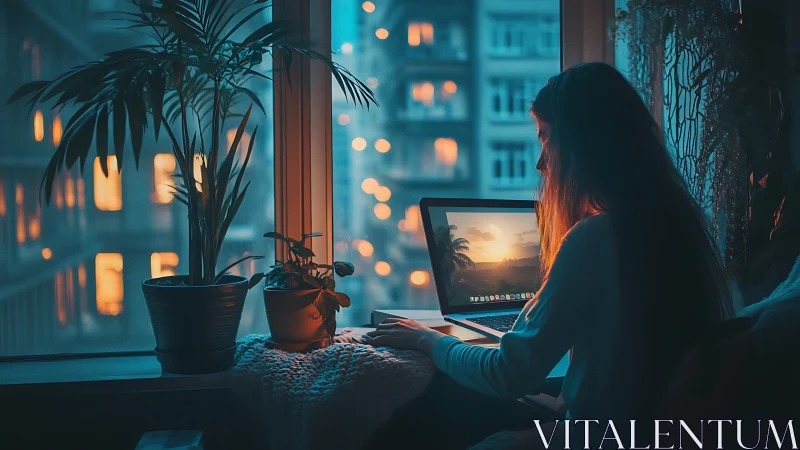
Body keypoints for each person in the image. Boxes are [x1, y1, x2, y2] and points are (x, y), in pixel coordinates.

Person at [361, 62, 734, 449]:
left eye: (545, 138)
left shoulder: (597, 236)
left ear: (582, 144)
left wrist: (428, 341)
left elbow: (507, 374)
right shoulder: (681, 226)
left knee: (426, 417)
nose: (542, 163)